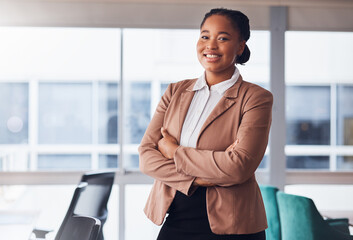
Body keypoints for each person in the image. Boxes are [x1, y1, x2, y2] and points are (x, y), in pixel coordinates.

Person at [139, 8, 273, 240]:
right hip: (176, 216)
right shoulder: (175, 91)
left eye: (222, 38)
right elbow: (146, 157)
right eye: (205, 36)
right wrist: (201, 178)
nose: (210, 45)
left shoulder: (255, 98)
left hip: (234, 224)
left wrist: (174, 152)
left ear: (240, 47)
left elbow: (238, 167)